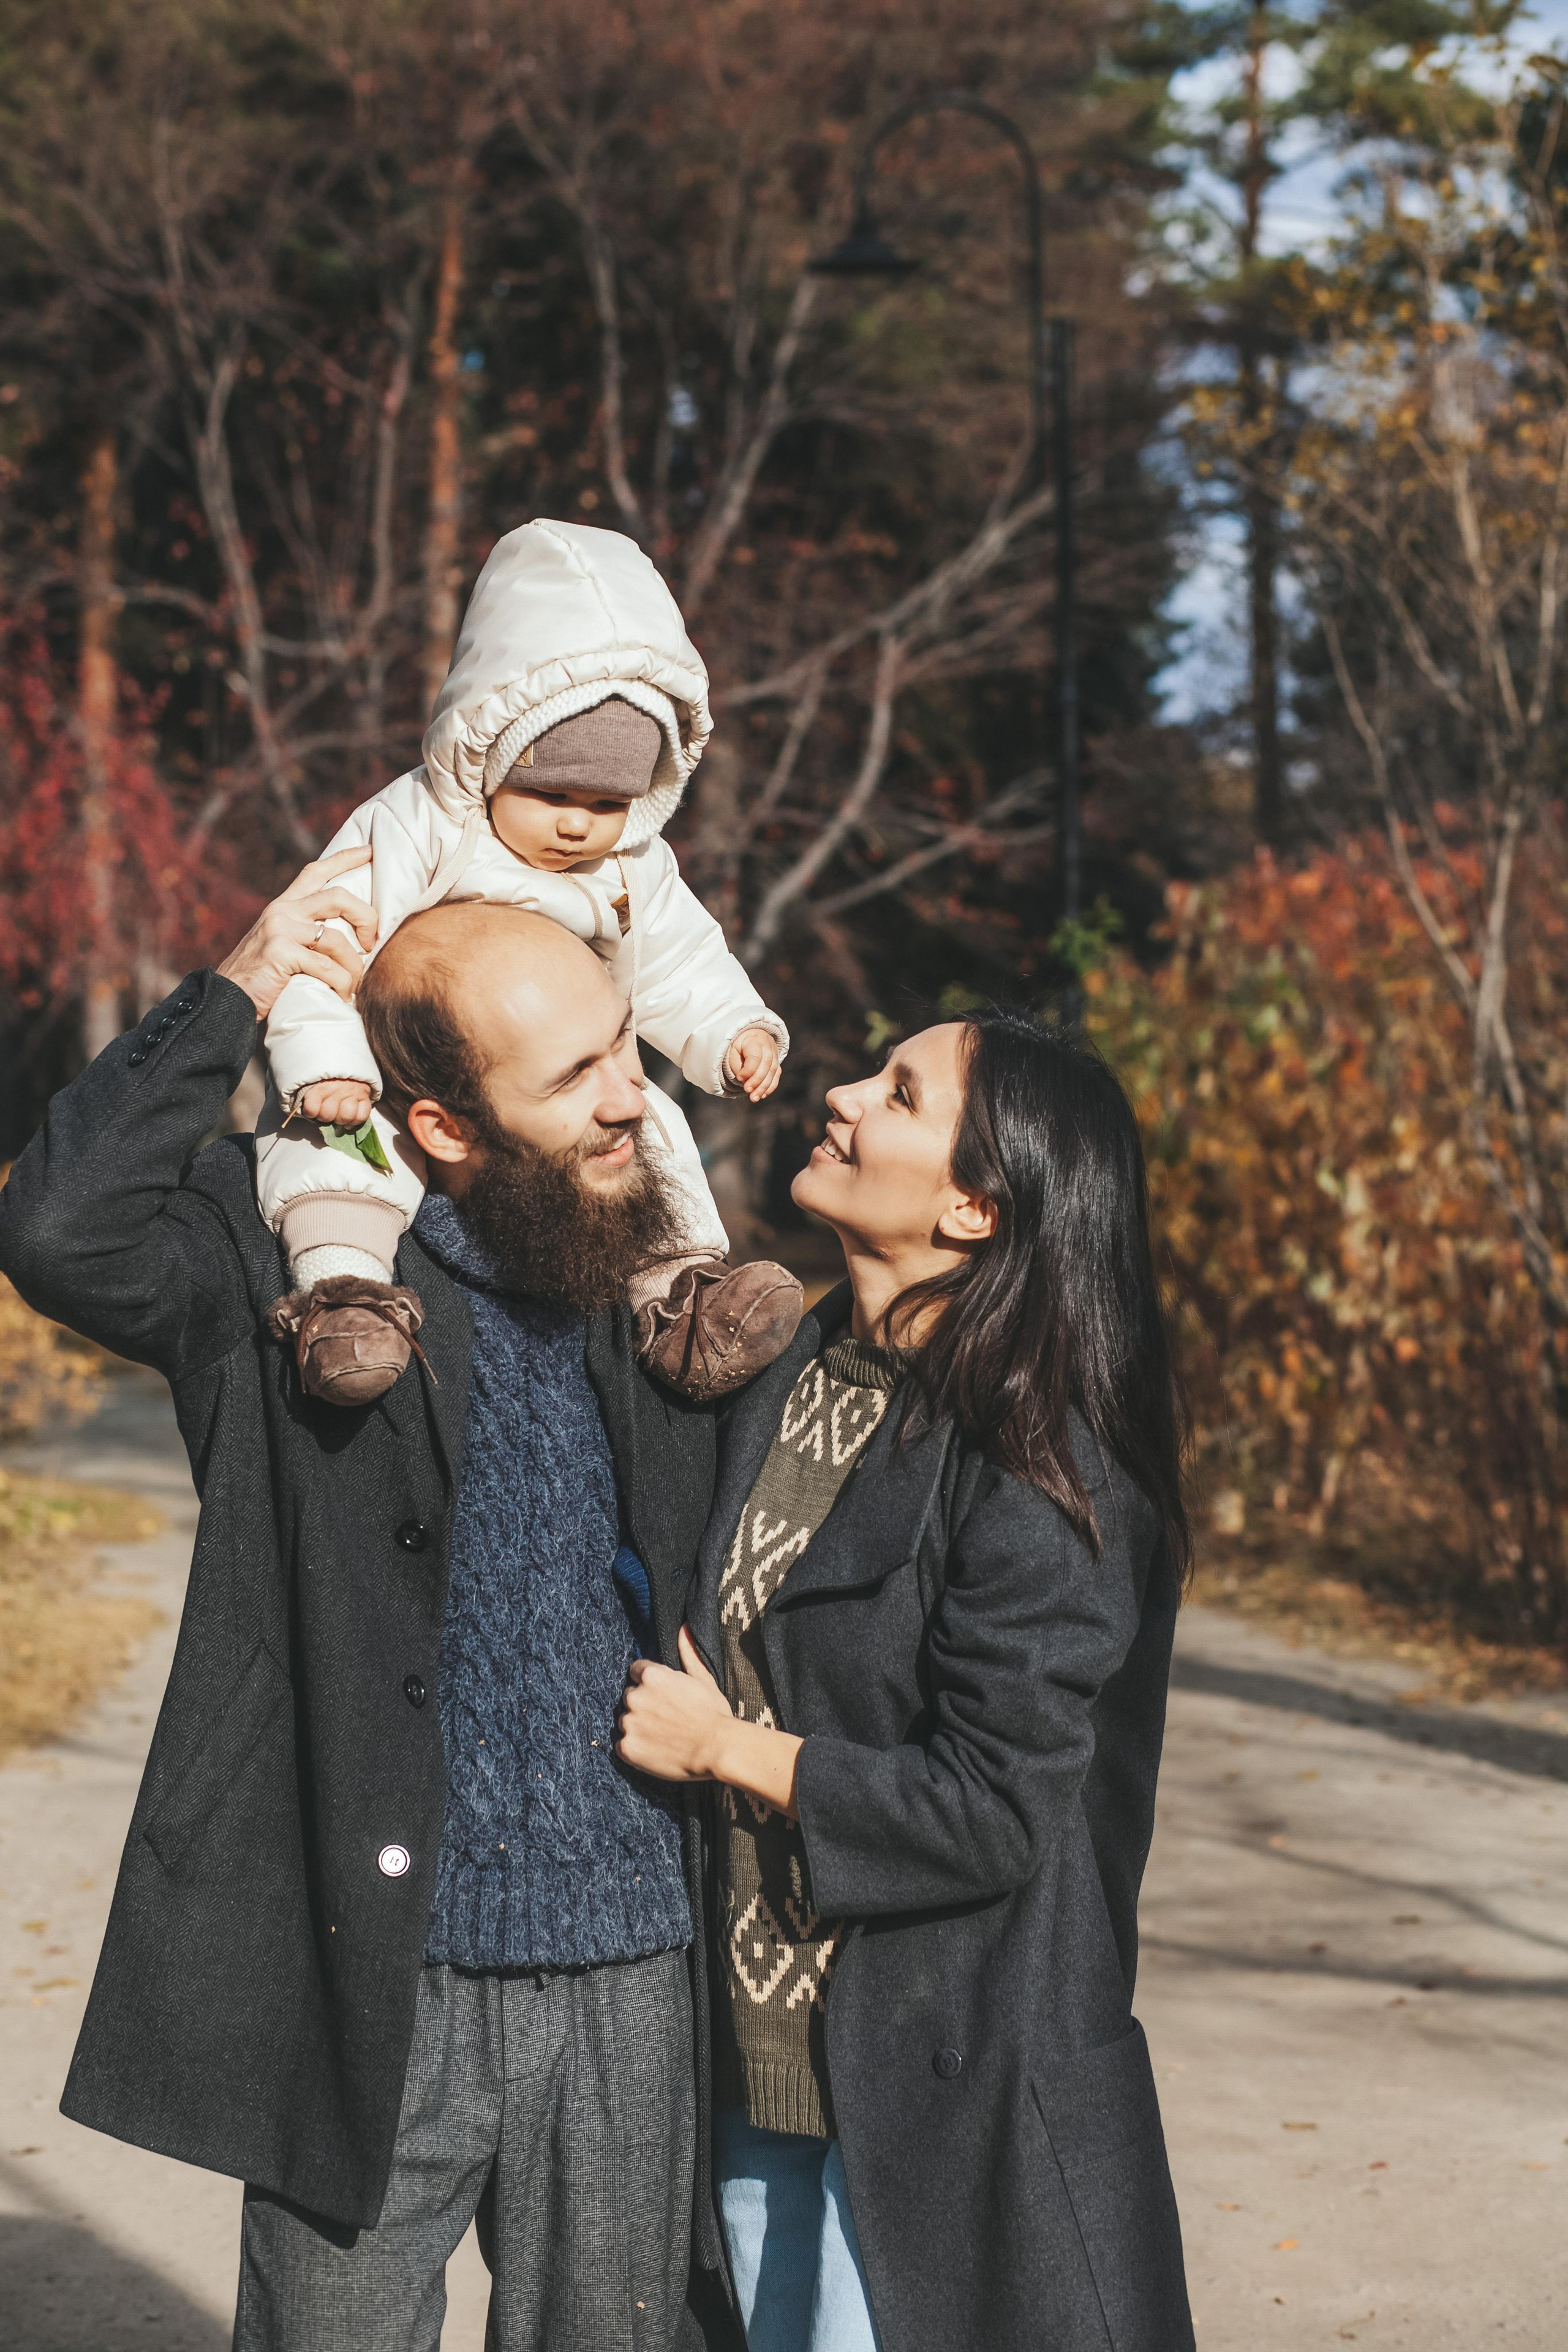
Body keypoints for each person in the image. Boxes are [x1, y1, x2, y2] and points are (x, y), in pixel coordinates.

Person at [0, 870, 738, 2352]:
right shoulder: (282, 1260)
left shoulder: (670, 1288)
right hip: (367, 1977)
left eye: (623, 1048)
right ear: (443, 1129)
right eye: (578, 1074)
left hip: (632, 1971)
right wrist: (240, 990)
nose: (630, 1101)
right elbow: (61, 1229)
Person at [617, 1010, 1196, 2352]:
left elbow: (995, 1807)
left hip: (940, 2082)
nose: (838, 1095)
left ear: (977, 1210)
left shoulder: (1042, 1454)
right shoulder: (793, 1373)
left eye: (896, 1093)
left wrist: (728, 1753)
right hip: (759, 2072)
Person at [257, 516, 799, 1409]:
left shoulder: (631, 866)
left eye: (609, 801)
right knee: (337, 1150)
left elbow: (680, 958)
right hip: (391, 1062)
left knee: (648, 1133)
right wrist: (325, 1064)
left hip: (565, 1074)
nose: (579, 824)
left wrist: (732, 1027)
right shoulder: (415, 827)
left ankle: (684, 1300)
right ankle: (345, 1296)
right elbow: (323, 943)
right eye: (551, 794)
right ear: (492, 753)